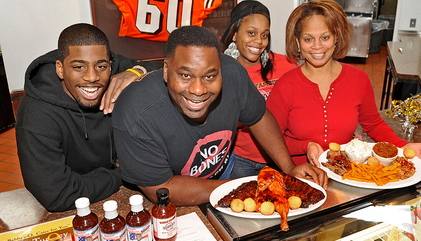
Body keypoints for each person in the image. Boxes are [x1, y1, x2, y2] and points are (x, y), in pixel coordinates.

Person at [112, 25, 327, 207]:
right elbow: (161, 189)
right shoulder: (135, 112)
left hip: (225, 173)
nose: (198, 89)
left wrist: (288, 168)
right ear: (166, 70)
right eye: (185, 75)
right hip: (175, 199)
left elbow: (259, 116)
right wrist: (242, 188)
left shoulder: (233, 74)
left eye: (210, 76)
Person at [266, 0, 421, 166]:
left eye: (325, 37)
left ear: (336, 37)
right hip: (301, 176)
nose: (317, 46)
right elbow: (271, 139)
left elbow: (373, 124)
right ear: (297, 42)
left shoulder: (358, 79)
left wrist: (404, 147)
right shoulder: (285, 86)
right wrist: (305, 146)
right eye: (308, 39)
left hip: (345, 173)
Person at [16, 23, 163, 212]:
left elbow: (164, 70)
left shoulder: (114, 69)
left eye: (101, 66)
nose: (92, 76)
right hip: (77, 208)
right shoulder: (36, 113)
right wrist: (123, 173)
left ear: (110, 65)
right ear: (60, 69)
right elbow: (57, 194)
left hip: (124, 196)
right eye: (79, 67)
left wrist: (135, 72)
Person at [221, 0, 297, 177]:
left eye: (264, 35)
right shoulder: (222, 71)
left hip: (281, 159)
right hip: (241, 160)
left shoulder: (287, 65)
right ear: (234, 34)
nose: (258, 41)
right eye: (251, 33)